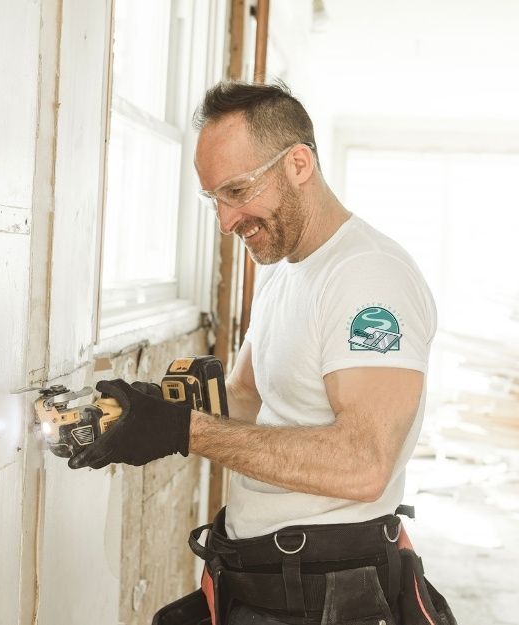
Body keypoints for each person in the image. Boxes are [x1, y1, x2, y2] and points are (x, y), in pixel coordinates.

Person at [69, 81, 456, 625]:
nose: (226, 221)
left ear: (299, 163)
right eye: (215, 200)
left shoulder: (369, 278)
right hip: (263, 579)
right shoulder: (286, 272)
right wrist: (144, 412)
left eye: (237, 190)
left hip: (331, 594)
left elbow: (364, 464)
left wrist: (185, 431)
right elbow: (247, 398)